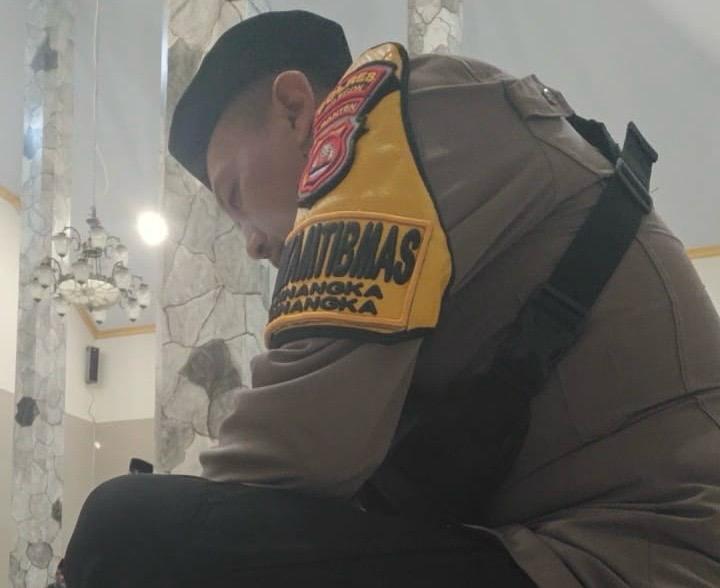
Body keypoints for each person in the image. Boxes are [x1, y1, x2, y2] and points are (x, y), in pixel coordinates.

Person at [64, 10, 720, 587]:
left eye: (235, 197)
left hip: (634, 557)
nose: (253, 243)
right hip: (610, 548)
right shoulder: (444, 121)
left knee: (128, 529)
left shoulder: (383, 120)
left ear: (295, 108)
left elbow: (289, 454)